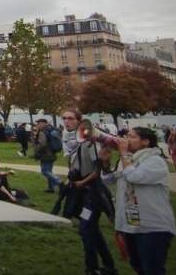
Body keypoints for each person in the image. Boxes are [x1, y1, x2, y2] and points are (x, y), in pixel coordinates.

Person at [101, 127, 176, 275]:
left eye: (132, 137)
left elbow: (134, 177)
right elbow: (107, 180)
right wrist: (105, 163)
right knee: (138, 266)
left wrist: (123, 154)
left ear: (145, 142)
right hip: (132, 225)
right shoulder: (129, 159)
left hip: (153, 227)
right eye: (127, 136)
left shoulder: (156, 161)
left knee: (152, 269)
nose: (127, 140)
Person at [66, 118, 117, 275]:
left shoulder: (91, 145)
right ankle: (108, 266)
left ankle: (92, 267)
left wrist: (82, 182)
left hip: (92, 192)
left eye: (70, 119)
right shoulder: (81, 144)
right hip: (86, 191)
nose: (67, 122)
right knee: (91, 229)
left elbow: (98, 169)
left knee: (86, 228)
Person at [33, 118, 61, 193]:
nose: (37, 125)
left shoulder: (43, 132)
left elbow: (43, 144)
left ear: (43, 123)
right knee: (49, 171)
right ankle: (51, 188)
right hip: (52, 153)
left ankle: (59, 182)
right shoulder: (51, 130)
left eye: (39, 123)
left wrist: (37, 149)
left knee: (45, 171)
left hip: (45, 154)